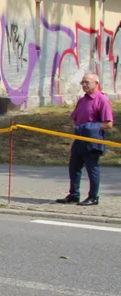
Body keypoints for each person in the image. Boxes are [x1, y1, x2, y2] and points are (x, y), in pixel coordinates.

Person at [56, 73, 113, 206]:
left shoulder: (102, 100)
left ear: (96, 83)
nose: (84, 85)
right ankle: (74, 195)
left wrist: (89, 127)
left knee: (92, 169)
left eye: (87, 82)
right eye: (82, 83)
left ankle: (93, 197)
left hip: (93, 141)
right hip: (79, 140)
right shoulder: (82, 100)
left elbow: (108, 124)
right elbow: (75, 119)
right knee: (74, 167)